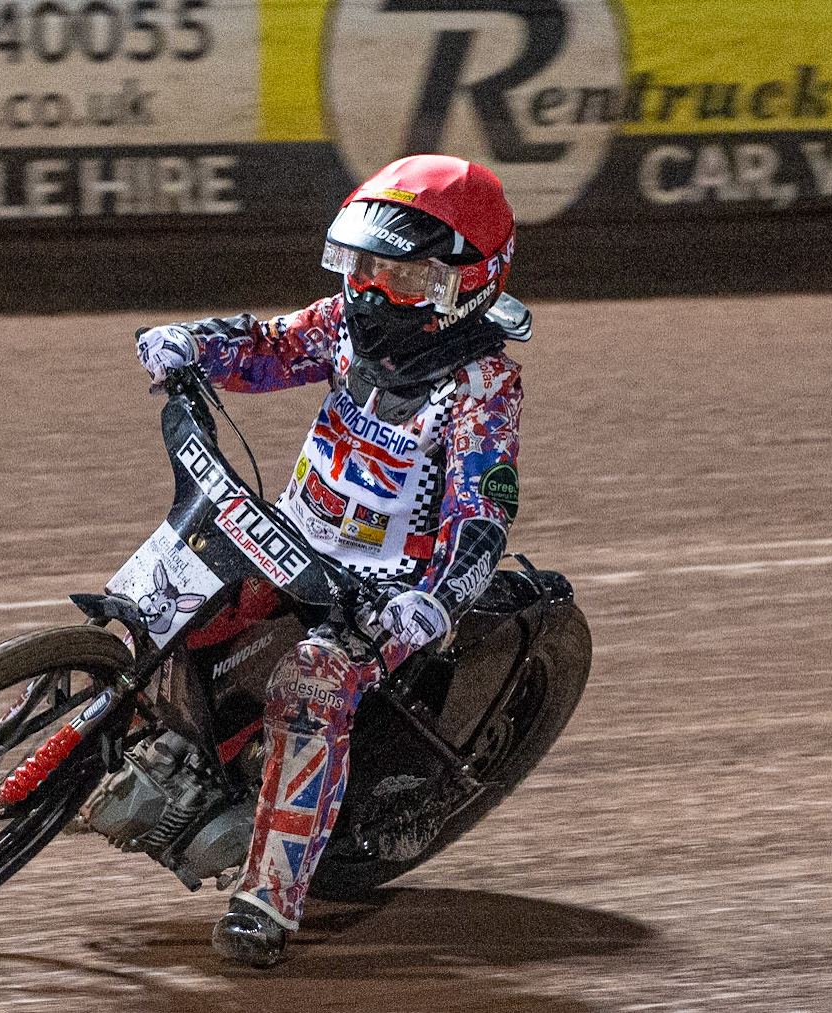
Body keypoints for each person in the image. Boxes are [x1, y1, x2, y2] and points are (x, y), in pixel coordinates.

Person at [135, 154, 531, 967]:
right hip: (292, 537)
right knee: (161, 596)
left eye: (407, 276)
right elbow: (266, 346)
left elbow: (483, 513)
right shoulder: (345, 324)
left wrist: (434, 600)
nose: (377, 289)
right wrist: (191, 346)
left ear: (469, 284)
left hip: (387, 590)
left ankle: (268, 900)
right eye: (368, 265)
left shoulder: (482, 381)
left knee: (312, 685)